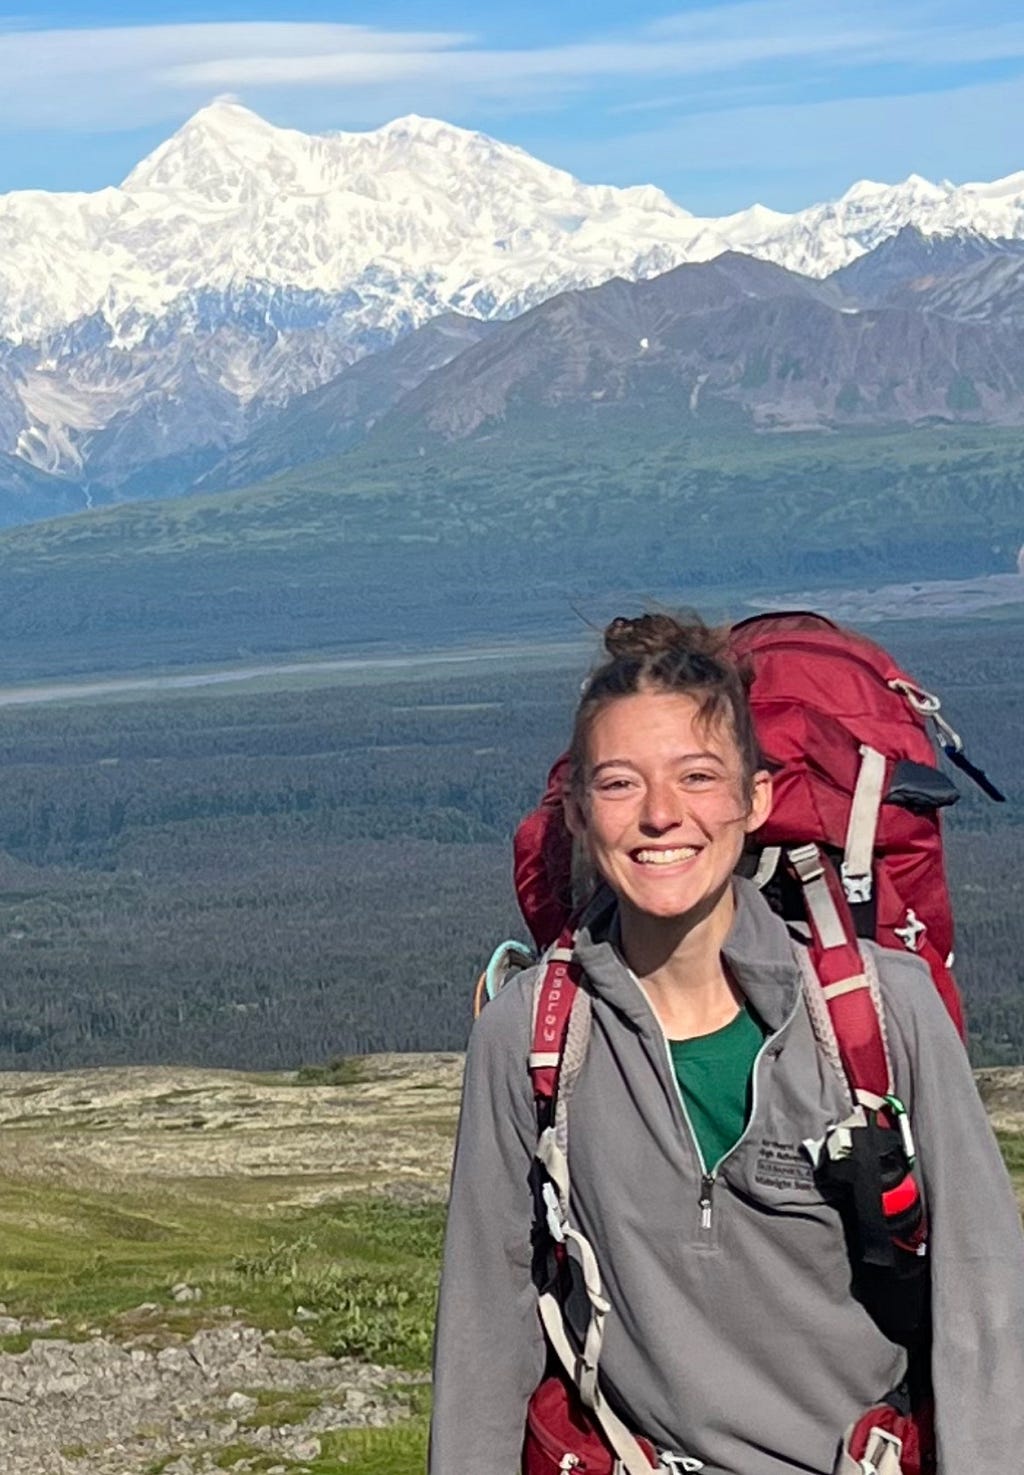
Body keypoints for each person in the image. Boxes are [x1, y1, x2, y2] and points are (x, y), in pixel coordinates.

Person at [430, 613, 1024, 1475]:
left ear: (756, 797)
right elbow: (486, 1328)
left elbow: (986, 1310)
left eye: (697, 776)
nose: (662, 815)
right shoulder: (530, 1033)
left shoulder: (883, 1011)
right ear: (579, 811)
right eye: (621, 783)